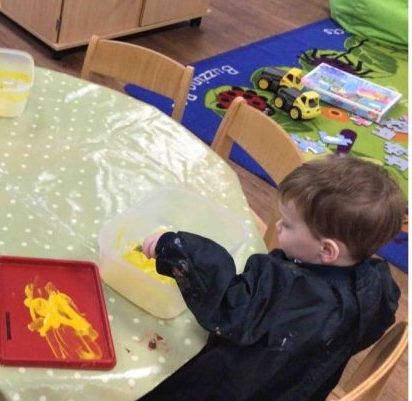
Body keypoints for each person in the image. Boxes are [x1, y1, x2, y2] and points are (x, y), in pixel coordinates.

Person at [136, 155, 404, 401]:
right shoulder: (378, 284)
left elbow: (228, 305)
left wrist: (175, 247)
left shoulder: (284, 289)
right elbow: (369, 328)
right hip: (299, 386)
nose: (277, 225)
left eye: (287, 224)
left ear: (327, 250)